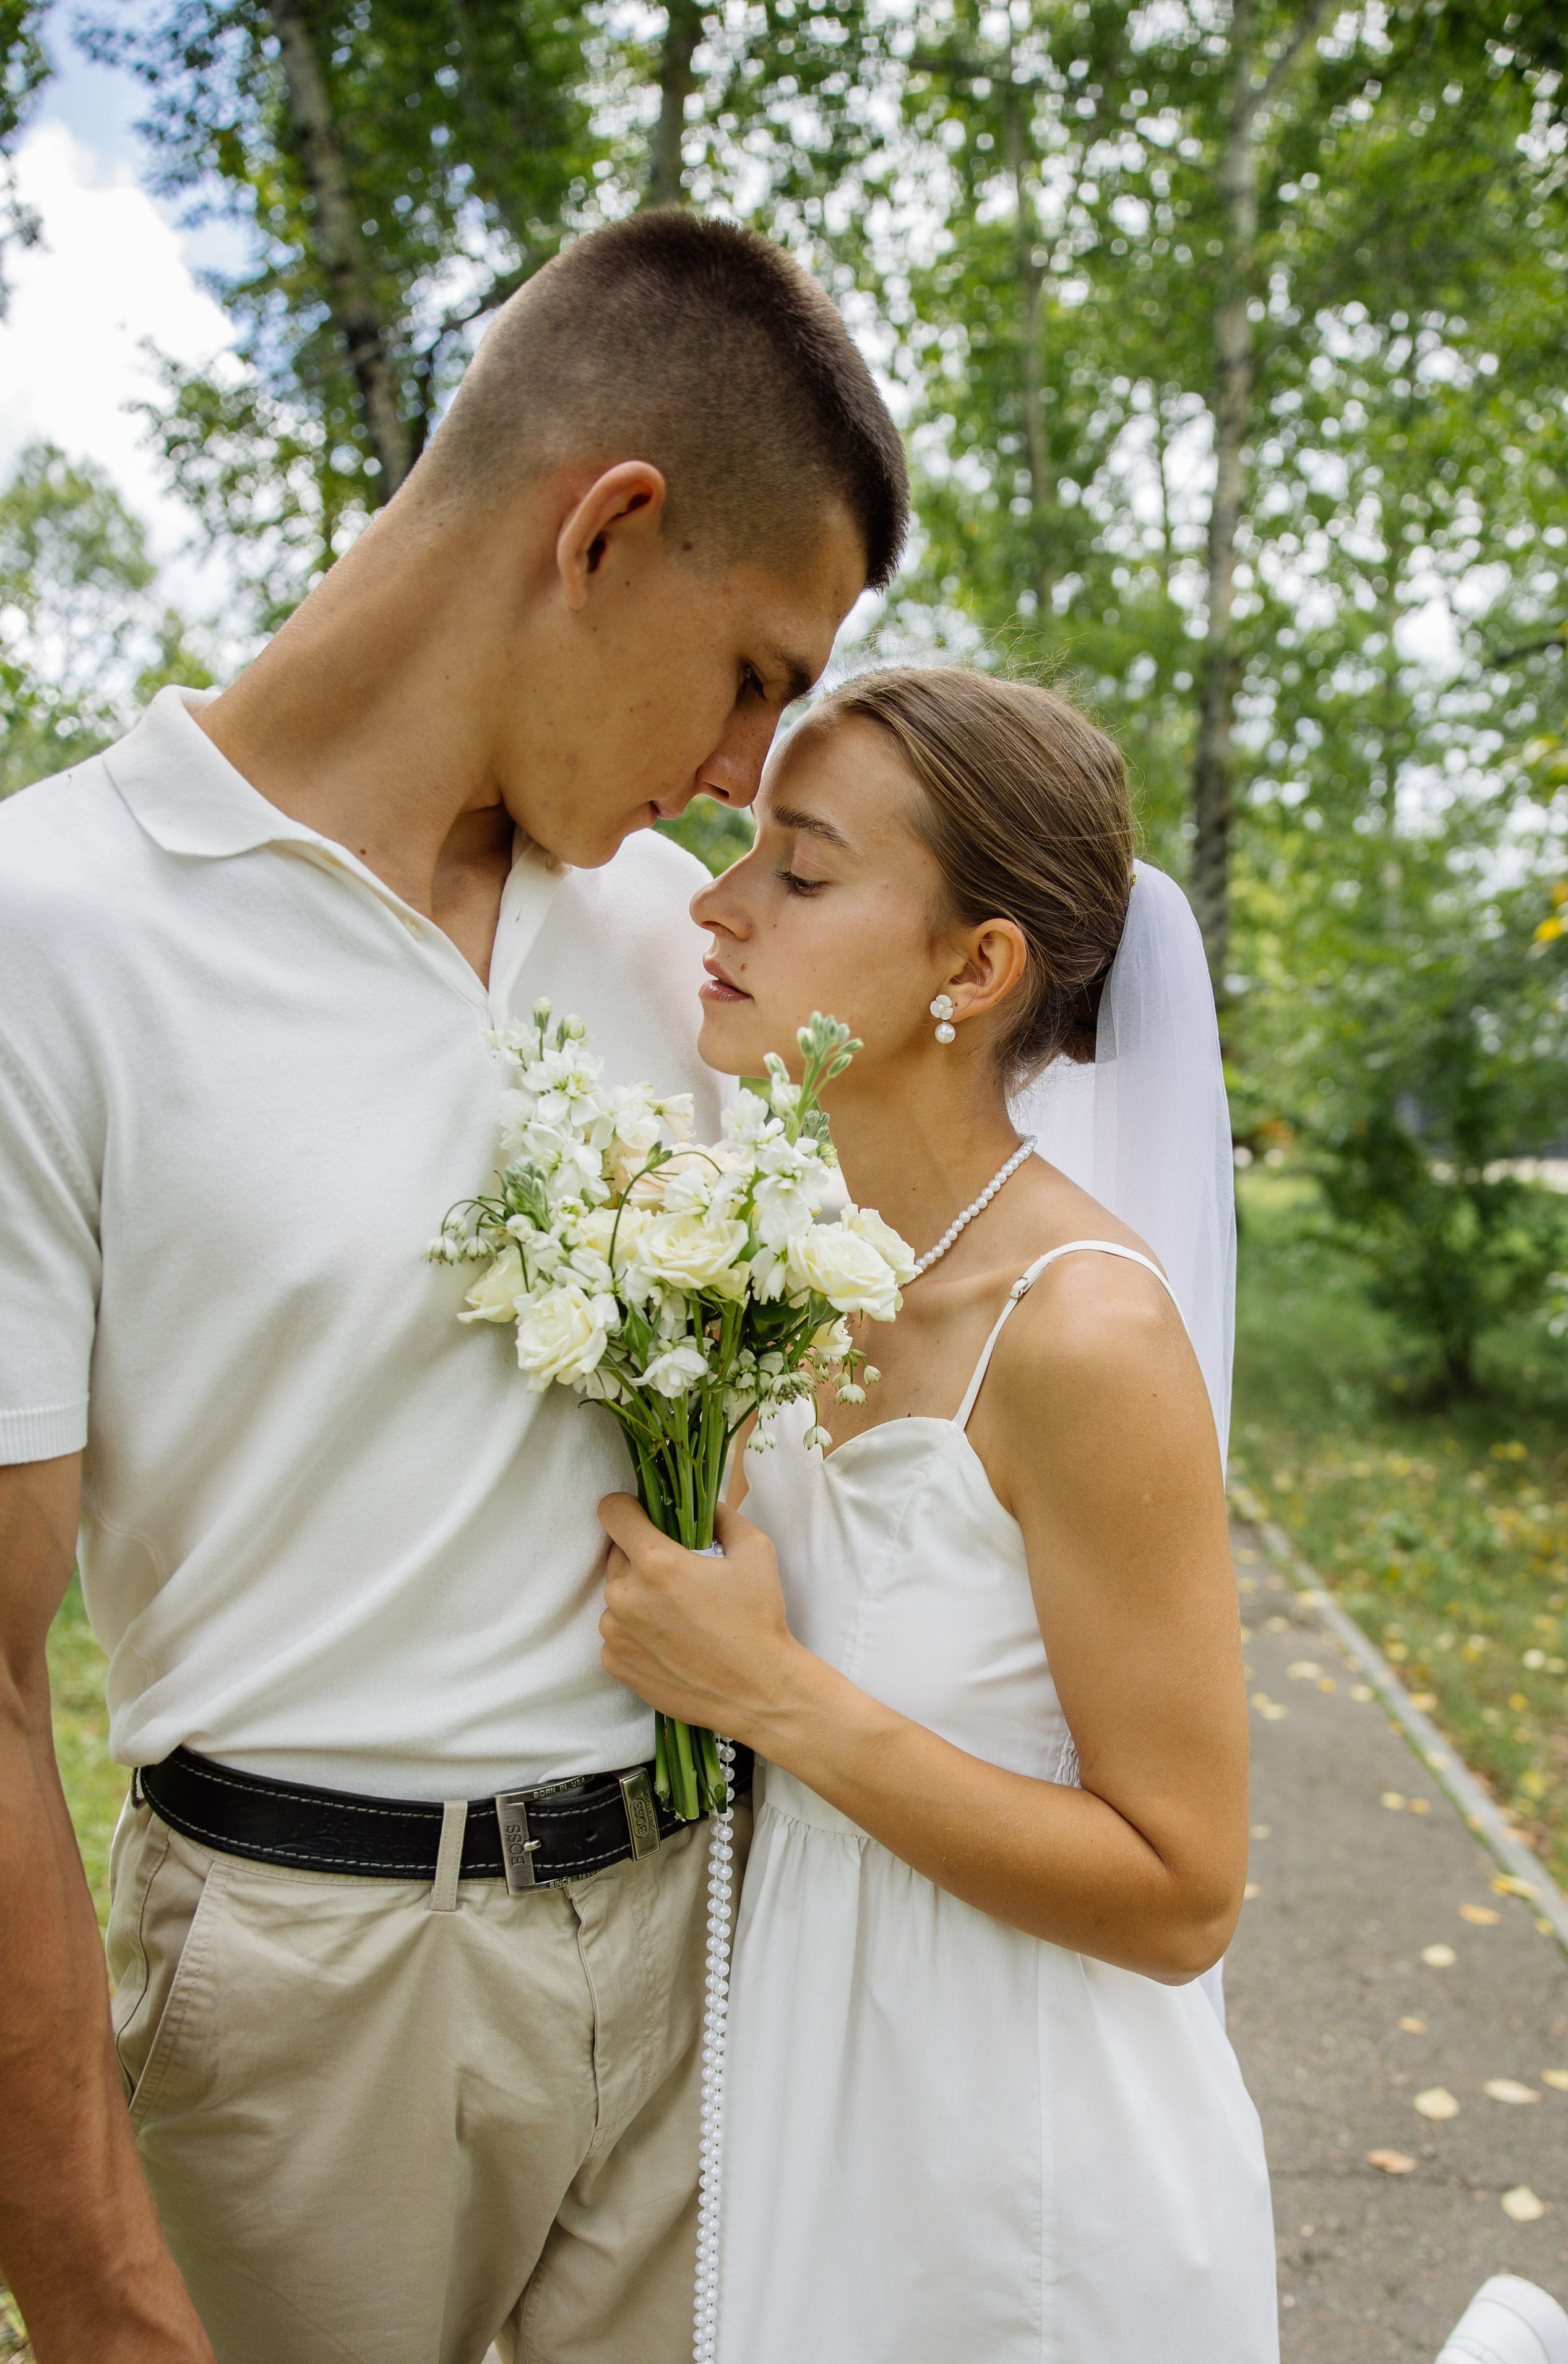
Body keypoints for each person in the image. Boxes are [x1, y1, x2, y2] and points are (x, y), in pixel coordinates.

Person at [0, 213, 907, 2364]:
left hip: (701, 1951)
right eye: (757, 672)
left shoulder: (682, 940)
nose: (747, 774)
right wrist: (105, 2305)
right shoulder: (52, 931)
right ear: (604, 531)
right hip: (313, 2016)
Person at [598, 665, 1280, 2362]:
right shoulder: (773, 1261)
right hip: (803, 2096)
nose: (717, 905)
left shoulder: (1085, 1331)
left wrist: (772, 1696)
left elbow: (1185, 1891)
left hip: (1020, 2171)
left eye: (801, 872)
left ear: (973, 970)